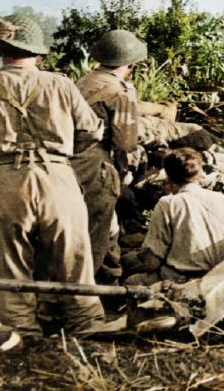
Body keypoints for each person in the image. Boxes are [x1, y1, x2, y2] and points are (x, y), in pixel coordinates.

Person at [0, 14, 105, 333]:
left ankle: (20, 331)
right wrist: (60, 153)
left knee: (9, 260)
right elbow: (92, 132)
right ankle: (86, 324)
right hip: (57, 175)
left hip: (6, 178)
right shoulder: (61, 83)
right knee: (73, 256)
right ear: (38, 53)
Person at [71, 30, 146, 275]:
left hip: (65, 162)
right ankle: (94, 286)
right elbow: (125, 141)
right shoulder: (121, 90)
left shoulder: (82, 82)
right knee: (99, 230)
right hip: (95, 165)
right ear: (130, 65)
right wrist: (126, 172)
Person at [125, 148, 224, 284]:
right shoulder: (223, 199)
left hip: (188, 280)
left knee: (130, 281)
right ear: (200, 173)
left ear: (168, 176)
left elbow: (152, 262)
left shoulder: (168, 203)